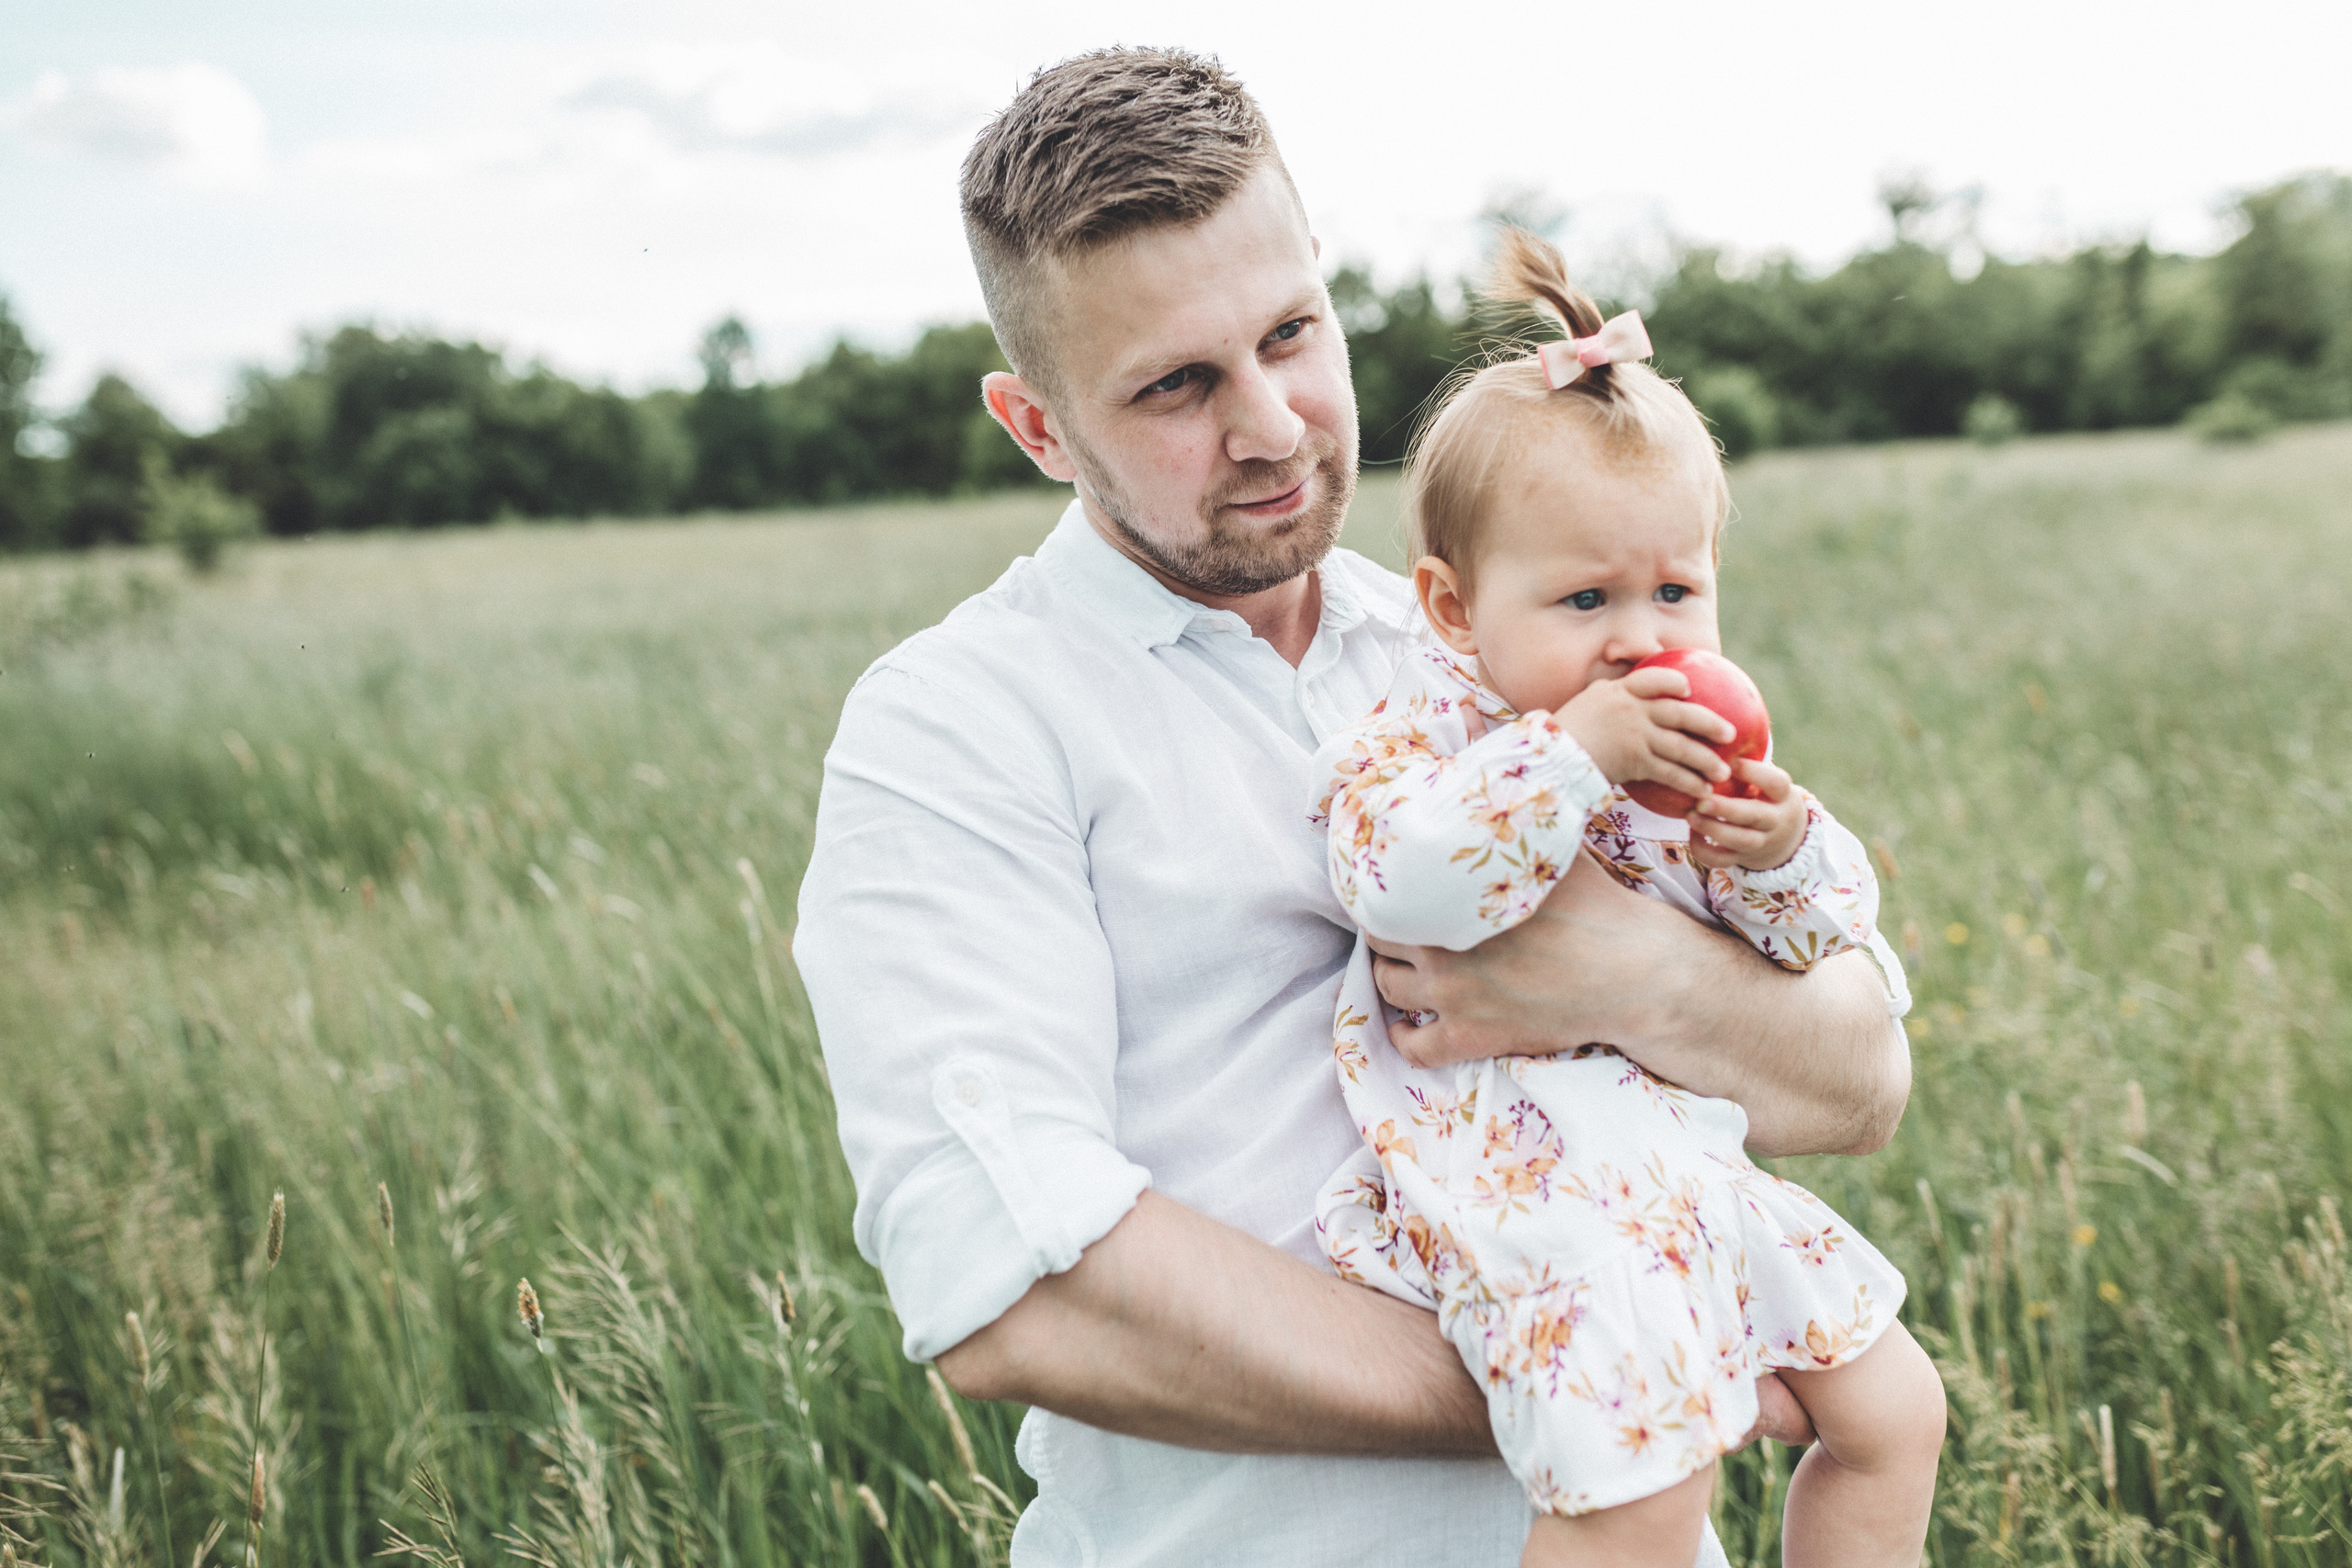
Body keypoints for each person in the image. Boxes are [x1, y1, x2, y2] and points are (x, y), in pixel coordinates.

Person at [793, 47, 1914, 1566]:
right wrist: (1593, 1375)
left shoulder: (1501, 642)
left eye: (1289, 335)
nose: (1270, 426)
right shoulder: (959, 729)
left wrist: (1626, 975)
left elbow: (1858, 1081)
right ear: (1037, 425)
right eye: (1178, 385)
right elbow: (1013, 1280)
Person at [1306, 229, 1945, 1568]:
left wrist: (1777, 849)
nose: (1644, 641)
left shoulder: (1684, 760)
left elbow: (1823, 942)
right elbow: (1409, 880)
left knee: (1896, 1411)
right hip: (1542, 1200)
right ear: (1454, 607)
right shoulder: (1423, 744)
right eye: (1586, 596)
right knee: (1644, 1505)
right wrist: (1570, 756)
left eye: (1676, 591)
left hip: (1682, 1174)